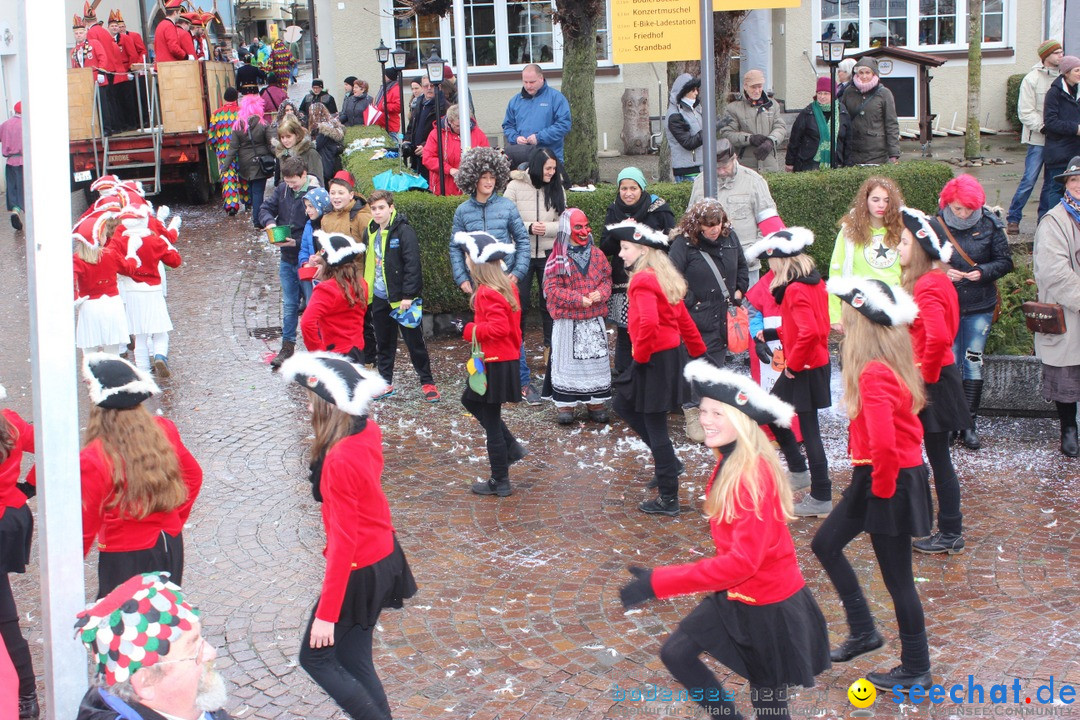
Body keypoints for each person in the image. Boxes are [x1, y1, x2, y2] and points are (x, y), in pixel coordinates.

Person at [619, 361, 831, 719]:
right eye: (703, 410)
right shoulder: (730, 459)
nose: (706, 419)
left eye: (718, 412)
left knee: (770, 707)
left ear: (743, 421)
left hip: (769, 607)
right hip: (735, 595)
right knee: (677, 653)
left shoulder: (750, 478)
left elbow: (741, 563)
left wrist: (659, 582)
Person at [279, 353, 416, 719]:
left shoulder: (338, 460)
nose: (307, 407)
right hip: (383, 554)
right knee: (354, 659)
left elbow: (343, 544)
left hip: (360, 567)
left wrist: (327, 613)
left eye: (310, 401)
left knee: (316, 658)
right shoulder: (366, 429)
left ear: (325, 407)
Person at [815, 276, 934, 693]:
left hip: (888, 480)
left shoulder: (873, 373)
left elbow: (885, 443)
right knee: (824, 544)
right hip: (879, 476)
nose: (842, 326)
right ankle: (864, 631)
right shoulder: (890, 362)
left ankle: (916, 667)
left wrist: (881, 495)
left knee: (898, 579)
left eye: (847, 318)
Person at [73, 354, 202, 598]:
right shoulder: (164, 429)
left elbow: (85, 524)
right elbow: (193, 477)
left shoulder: (94, 457)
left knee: (123, 630)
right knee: (163, 622)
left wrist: (65, 573)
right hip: (170, 544)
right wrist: (173, 521)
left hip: (124, 555)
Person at [609, 220, 707, 516]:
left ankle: (668, 497)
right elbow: (683, 320)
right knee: (624, 404)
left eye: (626, 249)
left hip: (653, 358)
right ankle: (670, 465)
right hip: (668, 357)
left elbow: (648, 324)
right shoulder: (661, 276)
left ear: (642, 251)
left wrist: (640, 357)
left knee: (654, 424)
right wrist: (699, 352)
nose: (621, 254)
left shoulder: (641, 280)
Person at [897, 207, 970, 555]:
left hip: (935, 381)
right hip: (938, 377)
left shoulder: (928, 284)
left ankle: (950, 530)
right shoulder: (938, 280)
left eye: (904, 241)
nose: (898, 247)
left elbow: (939, 338)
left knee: (939, 459)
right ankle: (943, 526)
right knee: (938, 458)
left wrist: (921, 380)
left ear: (921, 248)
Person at [746, 228, 832, 516]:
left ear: (780, 261)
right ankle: (800, 472)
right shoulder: (813, 282)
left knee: (807, 429)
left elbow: (809, 332)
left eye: (771, 263)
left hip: (804, 366)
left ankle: (820, 493)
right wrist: (772, 332)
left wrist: (794, 365)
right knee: (774, 414)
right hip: (810, 363)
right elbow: (812, 326)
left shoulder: (794, 289)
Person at [74, 573, 230, 720]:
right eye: (194, 649)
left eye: (201, 640)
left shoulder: (192, 704)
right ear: (146, 682)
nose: (211, 652)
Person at [449, 147, 534, 403]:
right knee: (489, 332)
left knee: (511, 329)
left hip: (505, 278)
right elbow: (455, 246)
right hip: (478, 279)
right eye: (484, 177)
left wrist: (518, 273)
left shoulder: (507, 207)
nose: (488, 182)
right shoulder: (463, 211)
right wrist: (462, 277)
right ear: (473, 178)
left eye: (492, 178)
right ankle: (488, 378)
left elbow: (522, 240)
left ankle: (522, 380)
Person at [937, 174, 1013, 451]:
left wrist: (981, 272)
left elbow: (1005, 262)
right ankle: (949, 422)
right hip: (947, 306)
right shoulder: (936, 225)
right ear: (948, 203)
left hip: (980, 306)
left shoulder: (990, 223)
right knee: (950, 362)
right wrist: (944, 273)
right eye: (958, 208)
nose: (965, 213)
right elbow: (921, 262)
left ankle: (968, 424)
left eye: (970, 208)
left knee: (972, 361)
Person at [453, 232, 528, 497]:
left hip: (495, 362)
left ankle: (501, 480)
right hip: (504, 360)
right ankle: (512, 448)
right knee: (470, 401)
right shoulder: (508, 286)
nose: (465, 261)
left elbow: (499, 328)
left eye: (467, 257)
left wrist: (469, 329)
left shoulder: (486, 292)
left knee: (492, 421)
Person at [669, 199, 748, 441]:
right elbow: (672, 277)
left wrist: (739, 291)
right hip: (696, 315)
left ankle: (712, 411)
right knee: (695, 364)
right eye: (708, 225)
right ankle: (693, 411)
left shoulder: (730, 238)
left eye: (718, 223)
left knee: (716, 363)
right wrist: (692, 300)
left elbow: (742, 267)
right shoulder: (684, 244)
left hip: (724, 315)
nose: (714, 229)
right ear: (698, 224)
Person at [599, 167, 677, 376]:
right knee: (625, 330)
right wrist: (620, 231)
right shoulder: (614, 209)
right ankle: (625, 373)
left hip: (653, 278)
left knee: (650, 325)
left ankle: (651, 371)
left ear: (642, 188)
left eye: (633, 187)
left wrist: (641, 236)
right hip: (623, 281)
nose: (628, 193)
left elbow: (672, 243)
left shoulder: (659, 209)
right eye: (624, 188)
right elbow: (604, 247)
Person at [363, 190, 439, 401]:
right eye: (373, 209)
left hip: (402, 299)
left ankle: (427, 382)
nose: (377, 213)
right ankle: (385, 382)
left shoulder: (404, 231)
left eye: (381, 208)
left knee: (415, 343)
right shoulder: (370, 231)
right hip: (379, 295)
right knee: (384, 343)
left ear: (391, 208)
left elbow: (412, 265)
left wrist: (408, 294)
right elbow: (369, 262)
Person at [541, 209, 612, 424]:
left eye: (586, 226)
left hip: (593, 320)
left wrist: (601, 292)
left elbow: (607, 279)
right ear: (567, 229)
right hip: (568, 322)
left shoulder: (597, 254)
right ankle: (566, 406)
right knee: (566, 363)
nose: (584, 231)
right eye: (578, 227)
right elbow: (551, 288)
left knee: (595, 362)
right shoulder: (557, 258)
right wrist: (576, 299)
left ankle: (595, 402)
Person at [1032, 156, 1080, 459]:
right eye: (1075, 180)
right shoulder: (1054, 221)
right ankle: (1068, 430)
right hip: (1068, 311)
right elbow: (1054, 272)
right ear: (1067, 184)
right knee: (1067, 375)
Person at [688, 140, 785, 286]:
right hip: (709, 265)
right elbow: (691, 220)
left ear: (734, 158)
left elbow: (769, 224)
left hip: (746, 266)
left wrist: (751, 253)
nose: (720, 171)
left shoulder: (754, 181)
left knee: (748, 308)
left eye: (724, 166)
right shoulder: (700, 182)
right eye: (716, 167)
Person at [259, 156, 323, 369]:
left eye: (293, 181)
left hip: (306, 260)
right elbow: (265, 209)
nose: (290, 185)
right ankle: (288, 347)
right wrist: (269, 223)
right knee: (289, 305)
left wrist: (295, 243)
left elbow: (318, 231)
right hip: (287, 258)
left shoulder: (314, 194)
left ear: (304, 175)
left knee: (314, 304)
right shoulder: (282, 190)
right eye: (287, 182)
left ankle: (318, 349)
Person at [0, 385, 39, 720]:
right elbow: (50, 443)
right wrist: (29, 485)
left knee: (4, 616)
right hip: (11, 518)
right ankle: (26, 695)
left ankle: (25, 694)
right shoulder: (9, 422)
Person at [504, 146, 565, 360]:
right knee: (519, 302)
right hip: (522, 254)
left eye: (554, 169)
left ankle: (551, 350)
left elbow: (564, 223)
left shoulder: (557, 187)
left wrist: (546, 229)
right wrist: (529, 227)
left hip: (549, 253)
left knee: (550, 303)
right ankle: (516, 350)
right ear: (538, 167)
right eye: (548, 168)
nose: (552, 173)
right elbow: (506, 219)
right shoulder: (514, 186)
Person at [827, 176, 905, 330]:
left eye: (886, 200)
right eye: (875, 199)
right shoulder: (849, 231)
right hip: (859, 308)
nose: (881, 205)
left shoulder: (902, 229)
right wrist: (835, 314)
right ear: (866, 201)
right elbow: (835, 271)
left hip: (895, 307)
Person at [114, 205, 182, 377]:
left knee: (140, 336)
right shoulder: (154, 241)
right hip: (152, 291)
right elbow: (175, 261)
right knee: (160, 331)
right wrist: (171, 247)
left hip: (131, 292)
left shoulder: (120, 241)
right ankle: (160, 355)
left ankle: (144, 371)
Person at [1007, 40, 1062, 234]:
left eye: (1061, 52)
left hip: (1058, 140)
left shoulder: (1065, 78)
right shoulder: (1032, 79)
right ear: (1045, 56)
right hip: (1038, 139)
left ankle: (1044, 221)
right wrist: (1045, 128)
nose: (1060, 56)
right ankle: (1013, 218)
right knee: (1029, 179)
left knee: (1052, 182)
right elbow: (1026, 112)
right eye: (1056, 52)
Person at [73, 214, 137, 356]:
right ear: (99, 238)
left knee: (89, 356)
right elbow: (129, 269)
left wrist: (75, 297)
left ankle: (91, 378)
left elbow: (70, 280)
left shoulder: (77, 259)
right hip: (112, 305)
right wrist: (132, 253)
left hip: (89, 306)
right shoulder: (110, 254)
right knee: (112, 355)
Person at [300, 232, 368, 360]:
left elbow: (307, 323)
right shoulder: (362, 284)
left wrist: (318, 353)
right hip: (357, 350)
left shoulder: (325, 289)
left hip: (334, 354)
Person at [720, 69, 787, 173]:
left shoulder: (773, 105)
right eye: (753, 87)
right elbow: (727, 134)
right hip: (745, 167)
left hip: (769, 165)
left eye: (759, 86)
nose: (757, 90)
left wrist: (771, 141)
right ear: (745, 86)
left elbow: (780, 127)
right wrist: (749, 139)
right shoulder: (733, 108)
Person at [502, 64, 572, 163]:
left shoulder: (556, 98)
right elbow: (507, 126)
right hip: (521, 158)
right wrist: (516, 138)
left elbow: (564, 125)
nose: (528, 86)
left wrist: (539, 138)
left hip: (549, 158)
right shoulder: (515, 101)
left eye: (532, 82)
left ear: (541, 78)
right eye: (525, 82)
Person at [223, 93, 273, 227]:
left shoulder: (238, 126)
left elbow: (233, 148)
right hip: (260, 162)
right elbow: (271, 144)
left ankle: (255, 216)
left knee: (251, 189)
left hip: (244, 163)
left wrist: (225, 166)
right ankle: (257, 220)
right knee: (258, 193)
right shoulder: (263, 124)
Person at [1038, 55, 1080, 215]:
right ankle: (1050, 223)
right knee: (1055, 189)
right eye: (1077, 70)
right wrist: (1075, 129)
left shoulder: (1078, 91)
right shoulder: (1054, 94)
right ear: (1066, 73)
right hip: (1059, 150)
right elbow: (1051, 122)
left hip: (1076, 151)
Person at [841, 57, 900, 166]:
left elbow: (891, 124)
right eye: (861, 73)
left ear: (874, 74)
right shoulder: (849, 92)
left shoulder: (884, 94)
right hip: (853, 151)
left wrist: (894, 153)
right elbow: (842, 119)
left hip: (877, 154)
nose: (864, 76)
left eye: (867, 72)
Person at [785, 76, 851, 172]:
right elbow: (795, 139)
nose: (822, 97)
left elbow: (848, 142)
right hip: (809, 165)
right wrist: (790, 162)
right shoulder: (807, 113)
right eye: (819, 93)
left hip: (836, 164)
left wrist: (848, 165)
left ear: (834, 94)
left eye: (826, 93)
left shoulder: (842, 113)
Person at [422, 103, 488, 196]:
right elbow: (428, 158)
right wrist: (449, 170)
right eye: (458, 126)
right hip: (443, 188)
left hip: (471, 188)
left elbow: (486, 157)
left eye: (465, 125)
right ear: (450, 122)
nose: (462, 129)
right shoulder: (436, 134)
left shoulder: (478, 134)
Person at [209, 87, 249, 216]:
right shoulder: (242, 113)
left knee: (228, 177)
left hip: (224, 152)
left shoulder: (216, 114)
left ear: (224, 99)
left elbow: (212, 136)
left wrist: (216, 148)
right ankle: (248, 201)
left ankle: (232, 205)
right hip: (241, 150)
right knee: (244, 176)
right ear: (236, 98)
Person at [405, 76, 448, 179]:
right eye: (425, 86)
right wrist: (407, 140)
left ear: (439, 87)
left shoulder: (444, 107)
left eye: (432, 85)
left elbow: (442, 133)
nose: (429, 88)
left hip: (432, 156)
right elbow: (412, 125)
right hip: (417, 156)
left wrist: (426, 146)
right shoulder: (419, 102)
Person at [664, 73, 703, 182]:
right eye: (693, 90)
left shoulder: (695, 109)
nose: (696, 93)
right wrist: (709, 130)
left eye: (697, 89)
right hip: (687, 170)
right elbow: (688, 143)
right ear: (683, 92)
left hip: (700, 166)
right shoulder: (674, 116)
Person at [299, 186, 331, 306]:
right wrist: (305, 263)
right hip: (313, 278)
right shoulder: (309, 225)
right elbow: (304, 249)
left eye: (311, 206)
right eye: (306, 206)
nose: (308, 210)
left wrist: (324, 266)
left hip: (329, 278)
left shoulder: (329, 225)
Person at [272, 116, 324, 183]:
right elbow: (283, 179)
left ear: (297, 135)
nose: (285, 140)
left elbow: (317, 179)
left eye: (288, 136)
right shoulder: (283, 154)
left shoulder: (310, 153)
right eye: (282, 137)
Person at [307, 102, 345, 186]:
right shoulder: (331, 125)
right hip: (331, 161)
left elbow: (315, 146)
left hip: (325, 164)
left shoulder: (323, 130)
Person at [0, 103, 23, 231]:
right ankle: (26, 214)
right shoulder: (26, 125)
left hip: (10, 162)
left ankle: (15, 211)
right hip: (24, 162)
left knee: (13, 189)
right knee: (24, 189)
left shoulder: (6, 124)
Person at [372, 69, 402, 135]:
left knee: (392, 144)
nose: (382, 77)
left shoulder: (395, 89)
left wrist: (384, 106)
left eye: (384, 75)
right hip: (382, 125)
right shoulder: (385, 88)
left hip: (390, 126)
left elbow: (399, 107)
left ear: (389, 76)